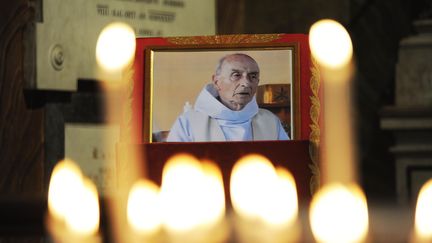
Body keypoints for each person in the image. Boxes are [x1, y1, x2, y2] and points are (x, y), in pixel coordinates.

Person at [166, 53, 289, 142]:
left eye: (253, 76)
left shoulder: (269, 121)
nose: (246, 83)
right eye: (236, 75)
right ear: (217, 82)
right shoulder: (189, 122)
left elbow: (286, 163)